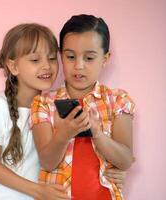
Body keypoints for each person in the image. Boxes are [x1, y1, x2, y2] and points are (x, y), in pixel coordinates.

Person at [31, 14, 135, 200]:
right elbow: (47, 162)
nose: (79, 66)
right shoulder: (44, 103)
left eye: (89, 58)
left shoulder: (117, 100)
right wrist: (64, 133)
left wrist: (97, 133)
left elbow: (125, 160)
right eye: (71, 56)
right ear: (61, 56)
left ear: (105, 58)